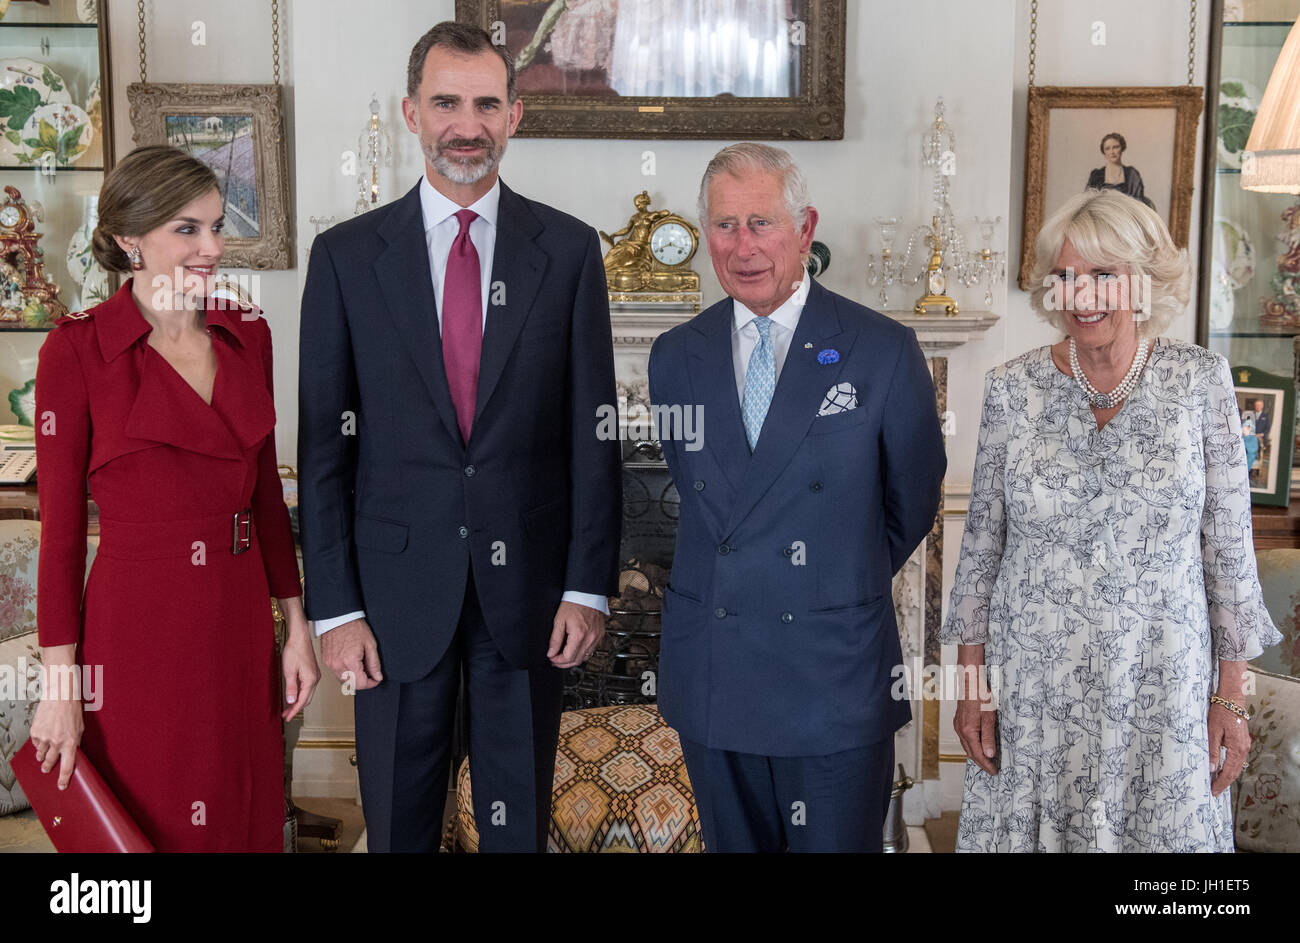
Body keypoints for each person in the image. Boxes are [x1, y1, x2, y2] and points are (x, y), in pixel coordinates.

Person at [298, 22, 621, 854]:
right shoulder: (343, 258)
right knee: (401, 826)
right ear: (412, 112)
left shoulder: (572, 251)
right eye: (446, 102)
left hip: (531, 598)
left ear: (515, 115)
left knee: (518, 825)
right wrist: (334, 606)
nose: (465, 124)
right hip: (393, 602)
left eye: (485, 103)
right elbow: (326, 453)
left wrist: (588, 585)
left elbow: (595, 434)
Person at [942, 188, 1281, 852]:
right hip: (1035, 687)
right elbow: (980, 551)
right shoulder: (1013, 389)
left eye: (1104, 274)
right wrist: (971, 686)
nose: (1083, 294)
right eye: (1066, 275)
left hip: (1162, 682)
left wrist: (1232, 699)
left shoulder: (1199, 381)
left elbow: (1230, 556)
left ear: (1144, 284)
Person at [647, 143, 946, 852]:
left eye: (762, 223)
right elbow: (701, 492)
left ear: (805, 228)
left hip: (832, 673)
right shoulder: (675, 355)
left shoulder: (881, 348)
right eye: (724, 226)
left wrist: (826, 580)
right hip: (715, 671)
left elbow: (910, 501)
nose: (742, 246)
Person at [28, 144, 318, 852]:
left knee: (241, 810)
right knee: (151, 824)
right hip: (139, 635)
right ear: (131, 238)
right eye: (187, 229)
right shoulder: (75, 352)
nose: (213, 247)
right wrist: (60, 684)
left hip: (240, 623)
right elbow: (60, 536)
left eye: (216, 226)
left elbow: (267, 504)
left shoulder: (248, 334)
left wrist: (297, 626)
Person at [1086, 132, 1154, 211]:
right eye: (1107, 148)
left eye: (1116, 147)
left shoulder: (1132, 174)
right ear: (1104, 152)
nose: (1112, 152)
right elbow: (1088, 201)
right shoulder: (1096, 175)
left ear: (1122, 148)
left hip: (1127, 215)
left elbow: (1138, 202)